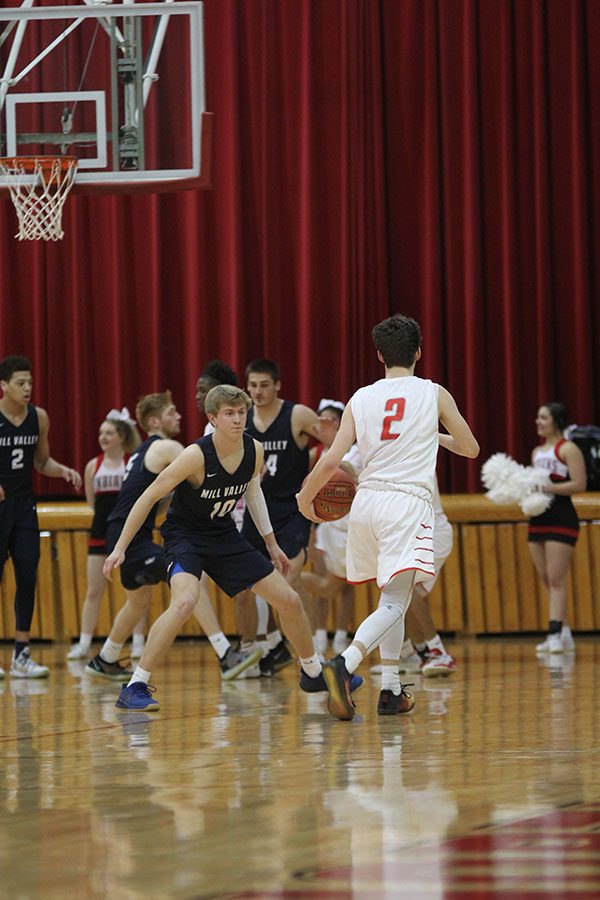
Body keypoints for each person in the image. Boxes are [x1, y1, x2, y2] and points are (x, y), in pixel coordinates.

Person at [103, 384, 355, 713]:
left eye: (241, 413)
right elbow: (149, 496)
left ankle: (311, 672)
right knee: (184, 602)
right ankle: (135, 684)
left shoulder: (253, 450)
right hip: (186, 537)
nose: (237, 419)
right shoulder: (194, 455)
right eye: (229, 414)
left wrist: (271, 543)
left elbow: (253, 493)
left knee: (289, 600)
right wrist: (120, 548)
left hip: (224, 535)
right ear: (213, 418)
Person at [297, 314, 479, 720]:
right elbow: (470, 449)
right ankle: (343, 664)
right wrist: (434, 432)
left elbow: (332, 460)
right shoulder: (434, 393)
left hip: (366, 504)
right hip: (406, 504)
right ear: (418, 352)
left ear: (379, 354)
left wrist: (305, 497)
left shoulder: (361, 397)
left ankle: (392, 690)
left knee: (390, 596)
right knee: (397, 600)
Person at [239, 359, 336, 674]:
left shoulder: (297, 415)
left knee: (287, 579)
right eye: (252, 385)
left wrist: (322, 478)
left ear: (278, 384)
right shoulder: (242, 419)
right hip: (257, 510)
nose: (257, 391)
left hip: (292, 510)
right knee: (243, 586)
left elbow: (336, 445)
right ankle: (252, 651)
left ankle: (311, 654)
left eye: (264, 385)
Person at [84, 392, 184, 680]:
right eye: (171, 412)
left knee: (138, 603)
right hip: (128, 533)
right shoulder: (166, 447)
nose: (178, 416)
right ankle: (225, 652)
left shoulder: (141, 452)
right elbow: (200, 467)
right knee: (185, 574)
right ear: (154, 421)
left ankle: (105, 658)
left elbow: (153, 498)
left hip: (125, 530)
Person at [0, 355, 82, 679]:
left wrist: (63, 471)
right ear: (4, 386)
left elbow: (41, 461)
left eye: (30, 382)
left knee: (27, 577)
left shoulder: (39, 418)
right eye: (21, 383)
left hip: (24, 508)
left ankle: (22, 654)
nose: (27, 388)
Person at [67, 408, 146, 661]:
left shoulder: (131, 462)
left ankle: (138, 642)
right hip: (100, 533)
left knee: (134, 590)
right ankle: (84, 643)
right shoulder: (93, 466)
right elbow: (92, 502)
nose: (103, 437)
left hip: (126, 535)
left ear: (121, 436)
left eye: (109, 433)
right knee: (93, 591)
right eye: (101, 433)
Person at [370, 476, 457, 677]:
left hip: (430, 531)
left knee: (404, 588)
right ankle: (409, 653)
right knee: (395, 592)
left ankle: (438, 651)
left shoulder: (414, 452)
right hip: (412, 532)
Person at [302, 399, 360, 658]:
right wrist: (312, 532)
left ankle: (340, 635)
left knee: (346, 587)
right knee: (326, 588)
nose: (325, 425)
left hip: (353, 528)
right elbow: (307, 491)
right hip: (327, 527)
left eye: (331, 420)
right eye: (321, 420)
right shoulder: (316, 454)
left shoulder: (356, 451)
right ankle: (318, 634)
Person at [528, 402, 586, 655]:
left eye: (543, 418)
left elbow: (579, 484)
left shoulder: (568, 449)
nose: (538, 422)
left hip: (562, 517)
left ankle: (553, 635)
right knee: (546, 578)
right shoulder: (537, 452)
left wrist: (548, 488)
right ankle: (563, 632)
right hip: (539, 518)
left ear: (556, 421)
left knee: (556, 579)